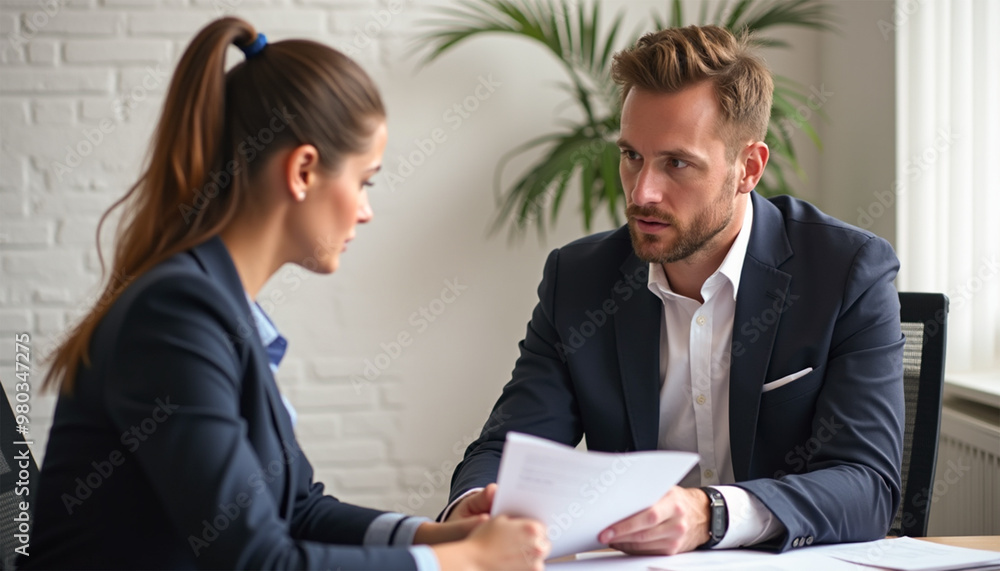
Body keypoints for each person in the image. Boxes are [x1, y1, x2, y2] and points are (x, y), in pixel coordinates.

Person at [22, 16, 548, 571]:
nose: (366, 211)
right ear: (302, 170)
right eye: (364, 181)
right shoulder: (175, 315)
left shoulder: (214, 305)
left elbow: (297, 509)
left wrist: (442, 536)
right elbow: (257, 561)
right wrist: (465, 563)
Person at [443, 25, 905, 556]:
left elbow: (868, 485)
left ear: (747, 168)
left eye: (676, 163)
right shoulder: (579, 280)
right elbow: (509, 445)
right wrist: (475, 505)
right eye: (632, 156)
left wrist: (710, 513)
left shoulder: (846, 271)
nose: (643, 192)